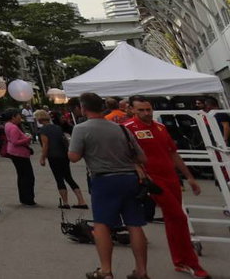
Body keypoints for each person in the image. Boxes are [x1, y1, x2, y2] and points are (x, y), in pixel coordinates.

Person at [124, 96, 209, 279]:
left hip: (171, 177)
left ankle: (179, 261)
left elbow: (173, 154)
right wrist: (140, 173)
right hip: (153, 180)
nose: (146, 113)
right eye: (141, 110)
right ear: (131, 110)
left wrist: (189, 177)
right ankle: (191, 263)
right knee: (179, 217)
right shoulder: (127, 128)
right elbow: (125, 155)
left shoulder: (160, 127)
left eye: (148, 109)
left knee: (173, 219)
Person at [69, 91, 150, 279]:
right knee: (134, 225)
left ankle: (106, 270)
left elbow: (73, 157)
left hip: (104, 180)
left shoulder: (81, 129)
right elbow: (142, 158)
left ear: (83, 108)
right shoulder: (121, 129)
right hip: (129, 179)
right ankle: (142, 271)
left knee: (102, 225)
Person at [35, 108, 87, 210]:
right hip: (63, 155)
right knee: (68, 177)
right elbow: (64, 140)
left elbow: (45, 145)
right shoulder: (57, 127)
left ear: (39, 119)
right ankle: (81, 200)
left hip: (53, 156)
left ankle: (65, 202)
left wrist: (42, 158)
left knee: (59, 178)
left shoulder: (43, 130)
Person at [1, 111, 38, 206]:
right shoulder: (13, 127)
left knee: (22, 175)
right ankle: (28, 198)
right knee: (28, 176)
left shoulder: (8, 125)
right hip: (19, 154)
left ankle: (24, 197)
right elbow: (15, 141)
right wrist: (27, 139)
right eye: (18, 116)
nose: (20, 118)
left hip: (15, 153)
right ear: (13, 117)